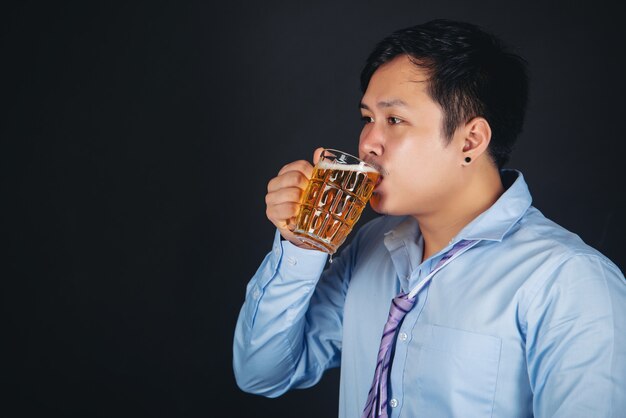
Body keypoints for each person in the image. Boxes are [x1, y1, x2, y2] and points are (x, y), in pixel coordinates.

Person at [232, 19, 626, 417]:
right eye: (368, 118)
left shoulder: (569, 281)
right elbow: (262, 373)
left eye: (394, 120)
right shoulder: (371, 246)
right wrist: (302, 245)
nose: (367, 142)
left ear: (470, 140)